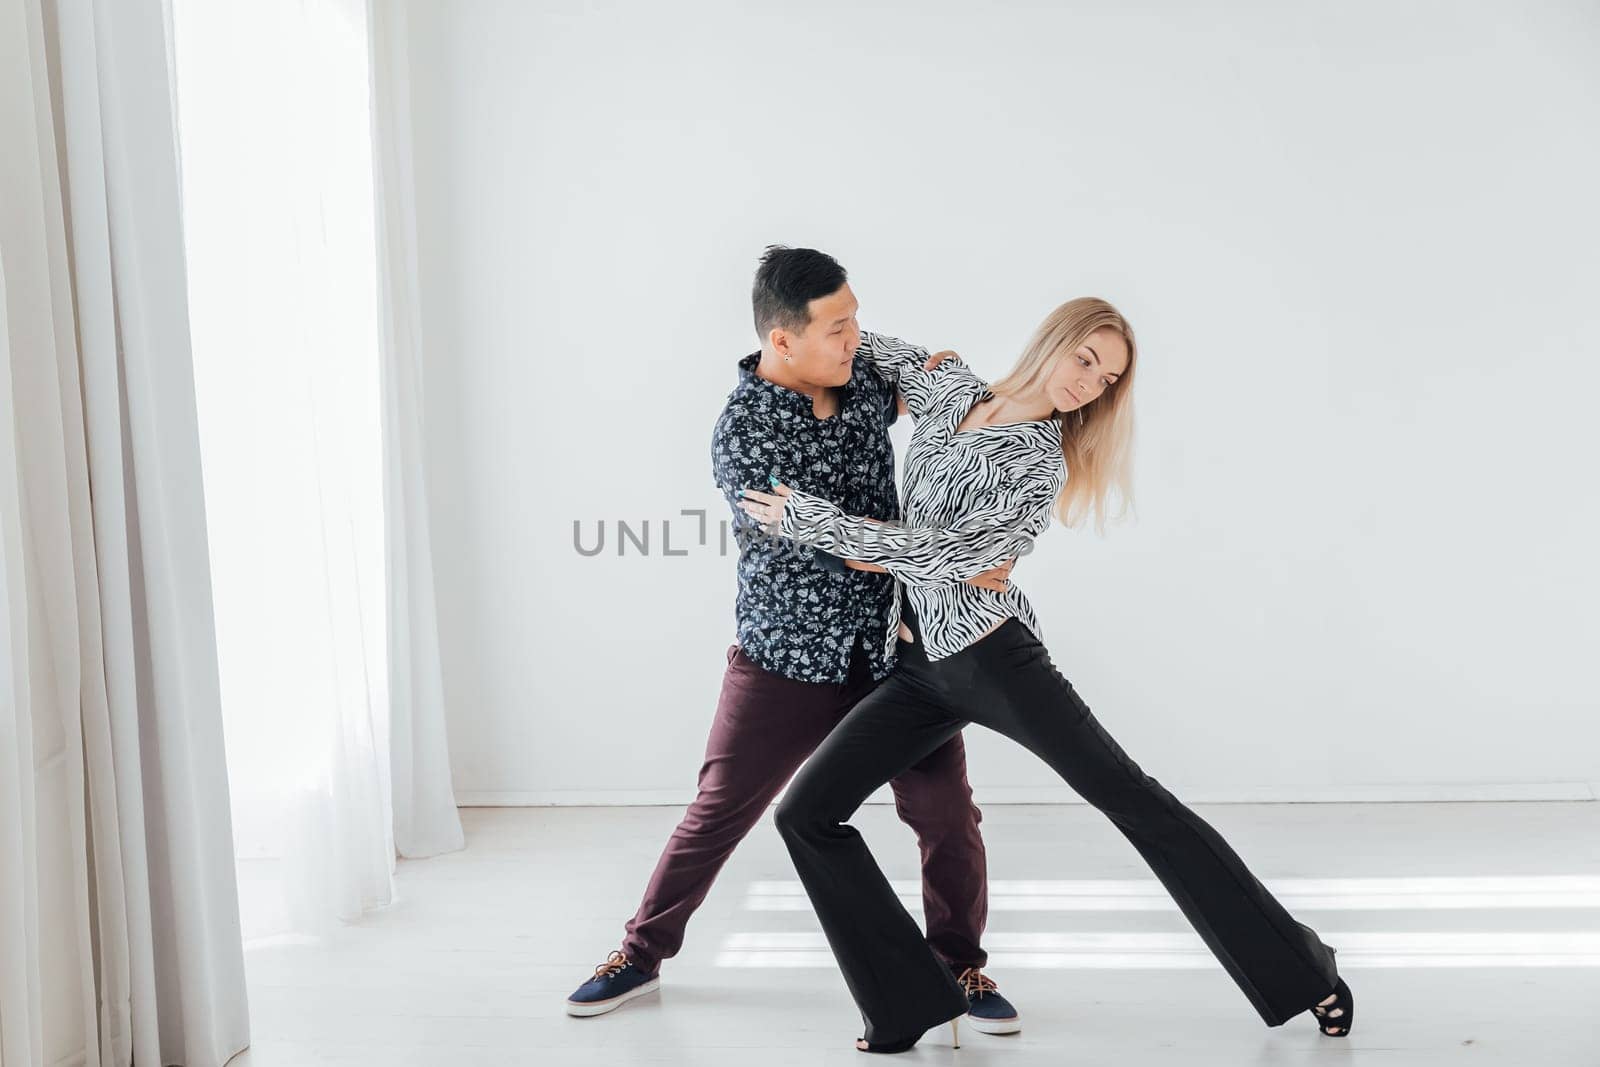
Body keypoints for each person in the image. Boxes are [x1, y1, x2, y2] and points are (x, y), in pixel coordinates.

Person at [738, 295, 1354, 1053]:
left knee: (1136, 802)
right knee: (806, 814)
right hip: (916, 666)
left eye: (1106, 380)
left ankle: (1306, 970)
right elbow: (856, 342)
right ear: (1053, 341)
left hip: (994, 662)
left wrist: (814, 522)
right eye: (1086, 359)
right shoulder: (950, 386)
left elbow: (946, 555)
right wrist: (878, 355)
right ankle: (907, 1003)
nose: (1089, 383)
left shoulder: (1039, 462)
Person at [565, 247, 1025, 1038]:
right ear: (783, 343)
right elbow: (835, 544)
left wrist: (939, 375)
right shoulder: (744, 432)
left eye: (856, 319)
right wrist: (920, 542)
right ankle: (640, 953)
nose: (856, 338)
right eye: (838, 328)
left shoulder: (863, 376)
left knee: (947, 810)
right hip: (786, 654)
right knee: (718, 810)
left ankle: (957, 965)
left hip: (894, 651)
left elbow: (940, 385)